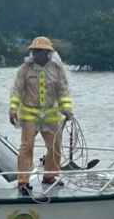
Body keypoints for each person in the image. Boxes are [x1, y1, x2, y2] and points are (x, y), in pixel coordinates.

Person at [9, 36, 73, 193]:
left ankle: (49, 176)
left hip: (50, 116)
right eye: (34, 51)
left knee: (55, 146)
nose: (36, 54)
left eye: (40, 51)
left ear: (47, 53)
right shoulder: (25, 69)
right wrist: (13, 110)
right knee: (26, 147)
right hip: (29, 114)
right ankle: (23, 180)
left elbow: (63, 91)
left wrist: (66, 109)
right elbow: (17, 90)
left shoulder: (57, 69)